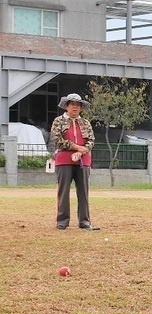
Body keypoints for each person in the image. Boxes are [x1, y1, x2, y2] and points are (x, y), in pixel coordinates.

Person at [50, 93, 99, 231]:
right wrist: (76, 147)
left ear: (81, 108)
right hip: (64, 160)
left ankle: (84, 221)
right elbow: (57, 139)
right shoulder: (58, 121)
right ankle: (62, 221)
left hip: (83, 161)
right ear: (67, 106)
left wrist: (81, 151)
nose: (75, 107)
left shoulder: (86, 123)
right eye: (72, 104)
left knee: (83, 191)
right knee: (63, 191)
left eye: (78, 105)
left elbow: (91, 141)